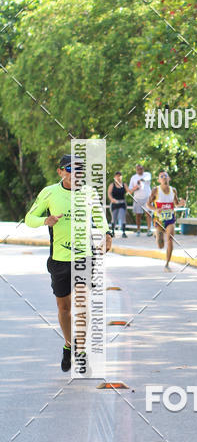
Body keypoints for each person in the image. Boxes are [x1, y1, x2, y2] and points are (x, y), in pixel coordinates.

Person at [24, 153, 112, 371]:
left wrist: (107, 235)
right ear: (61, 172)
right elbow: (29, 219)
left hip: (84, 256)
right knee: (64, 308)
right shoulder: (49, 193)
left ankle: (81, 350)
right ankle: (69, 344)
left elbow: (100, 217)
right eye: (70, 169)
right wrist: (46, 219)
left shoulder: (89, 192)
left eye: (79, 170)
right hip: (59, 259)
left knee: (82, 304)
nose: (75, 174)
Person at [148, 171, 185, 270]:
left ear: (169, 179)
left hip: (170, 219)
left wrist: (181, 203)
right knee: (160, 245)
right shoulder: (156, 190)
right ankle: (157, 234)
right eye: (162, 177)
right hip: (159, 220)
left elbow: (176, 203)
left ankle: (167, 264)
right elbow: (148, 204)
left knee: (170, 239)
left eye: (165, 176)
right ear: (159, 180)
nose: (164, 178)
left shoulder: (173, 190)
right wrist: (156, 209)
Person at [128, 164, 152, 236]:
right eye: (138, 169)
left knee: (148, 213)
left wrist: (141, 181)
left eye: (141, 169)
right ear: (136, 170)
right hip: (137, 198)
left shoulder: (147, 174)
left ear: (143, 169)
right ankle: (138, 230)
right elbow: (130, 190)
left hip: (147, 197)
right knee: (138, 215)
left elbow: (147, 179)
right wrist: (136, 188)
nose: (139, 170)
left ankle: (149, 230)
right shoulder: (133, 177)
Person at [108, 171, 127, 238]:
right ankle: (113, 231)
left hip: (122, 203)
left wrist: (136, 187)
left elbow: (129, 192)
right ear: (114, 177)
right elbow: (109, 193)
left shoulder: (124, 184)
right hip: (114, 203)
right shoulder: (112, 185)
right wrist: (112, 199)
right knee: (114, 218)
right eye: (117, 176)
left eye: (119, 176)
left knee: (123, 217)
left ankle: (124, 232)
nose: (118, 177)